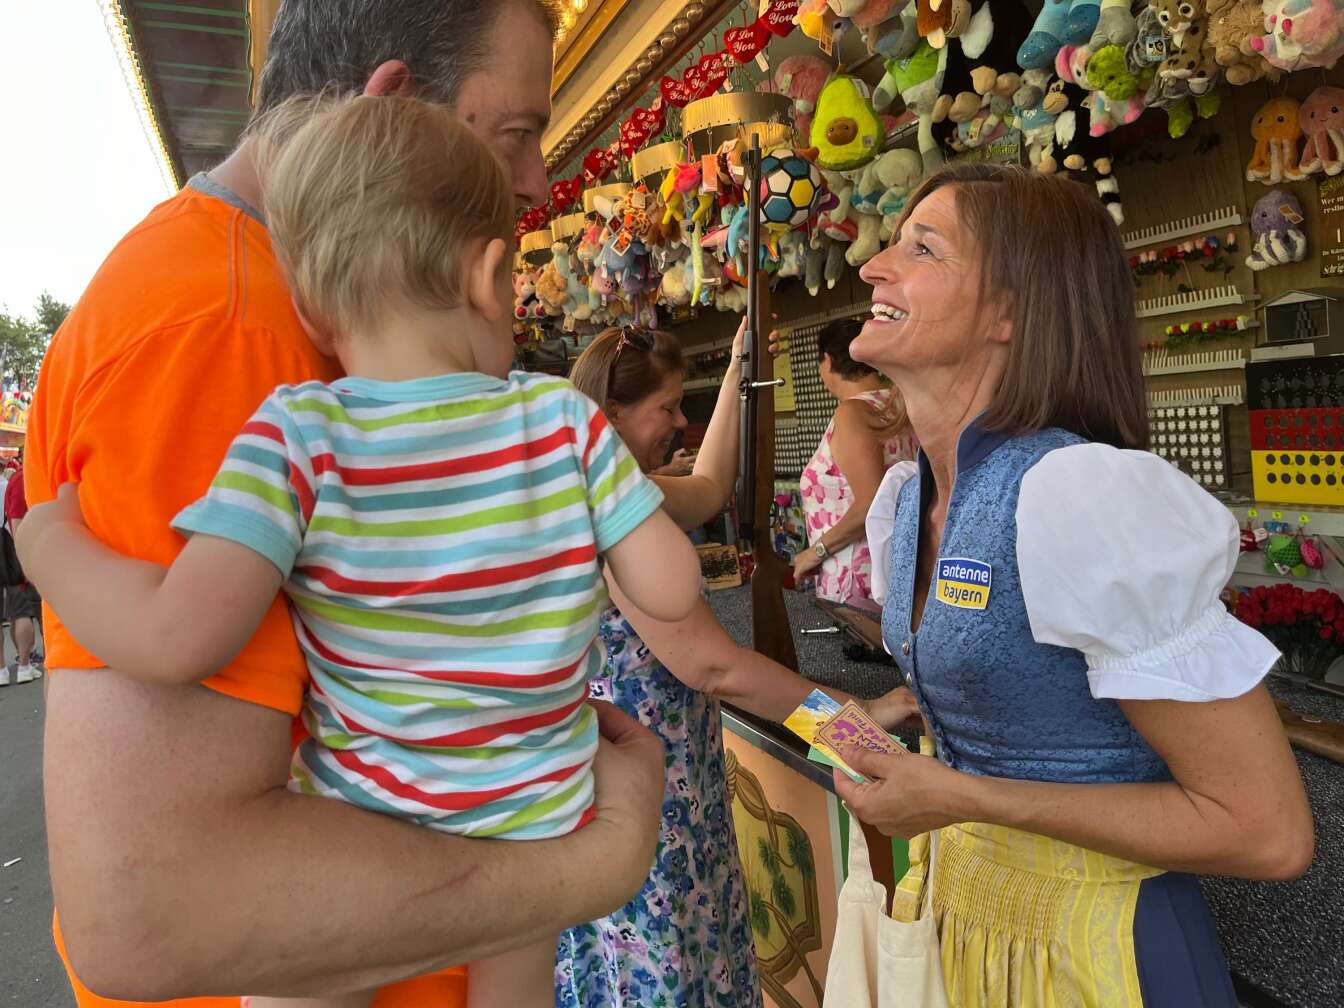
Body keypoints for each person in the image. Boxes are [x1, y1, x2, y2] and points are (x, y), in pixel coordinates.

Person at [24, 3, 667, 1006]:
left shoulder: (301, 342)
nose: (540, 183)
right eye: (515, 135)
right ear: (394, 112)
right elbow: (150, 912)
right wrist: (596, 863)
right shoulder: (231, 332)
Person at [832, 162, 1314, 1007]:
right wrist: (904, 713)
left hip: (1102, 945)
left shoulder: (1076, 492)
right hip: (969, 919)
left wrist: (960, 793)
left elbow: (1268, 832)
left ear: (1012, 311)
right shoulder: (908, 498)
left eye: (922, 247)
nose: (873, 266)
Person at [559, 325, 918, 1007]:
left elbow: (710, 484)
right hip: (647, 810)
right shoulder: (607, 518)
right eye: (663, 409)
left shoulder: (628, 490)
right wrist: (856, 726)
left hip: (672, 791)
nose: (678, 422)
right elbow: (717, 668)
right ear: (610, 415)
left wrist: (736, 372)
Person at [793, 319, 917, 608]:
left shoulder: (853, 413)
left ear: (828, 359)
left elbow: (870, 503)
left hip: (855, 577)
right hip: (897, 568)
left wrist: (816, 551)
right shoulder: (901, 404)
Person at [5, 461, 43, 685]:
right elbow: (17, 521)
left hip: (16, 556)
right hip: (21, 557)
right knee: (23, 612)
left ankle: (19, 663)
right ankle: (24, 665)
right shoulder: (22, 479)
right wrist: (26, 559)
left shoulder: (16, 480)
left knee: (15, 611)